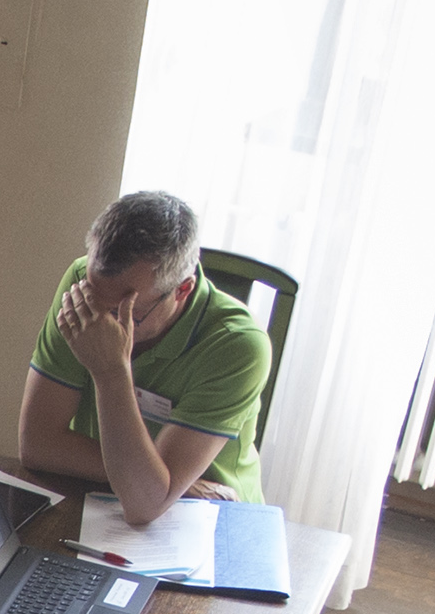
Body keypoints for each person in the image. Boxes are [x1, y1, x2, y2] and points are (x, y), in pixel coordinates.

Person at [15, 188, 274, 524]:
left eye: (127, 311)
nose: (100, 322)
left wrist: (111, 372)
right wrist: (167, 483)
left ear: (182, 290)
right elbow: (37, 445)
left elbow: (145, 505)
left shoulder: (238, 346)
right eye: (96, 301)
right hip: (105, 502)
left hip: (213, 521)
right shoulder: (82, 289)